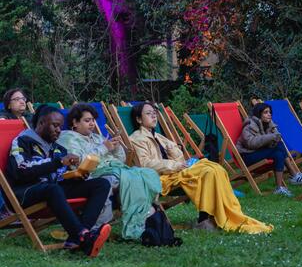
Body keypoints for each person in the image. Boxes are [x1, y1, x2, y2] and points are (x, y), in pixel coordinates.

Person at [128, 102, 272, 233]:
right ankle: (204, 219)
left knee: (217, 168)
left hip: (176, 171)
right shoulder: (137, 139)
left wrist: (173, 150)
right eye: (148, 113)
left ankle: (219, 214)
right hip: (161, 177)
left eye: (154, 112)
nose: (154, 115)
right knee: (208, 171)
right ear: (139, 119)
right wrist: (176, 164)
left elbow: (179, 156)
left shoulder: (159, 136)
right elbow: (145, 163)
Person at [7, 105, 112, 257]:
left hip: (51, 192)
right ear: (41, 123)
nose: (59, 130)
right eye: (55, 125)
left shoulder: (58, 148)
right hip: (25, 192)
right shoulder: (22, 141)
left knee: (102, 184)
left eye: (60, 127)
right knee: (52, 188)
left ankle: (80, 235)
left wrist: (75, 175)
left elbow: (60, 176)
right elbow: (21, 171)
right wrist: (58, 162)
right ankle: (83, 236)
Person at [57, 103, 162, 240]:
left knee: (144, 174)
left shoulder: (96, 138)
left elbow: (120, 160)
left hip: (114, 169)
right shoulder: (68, 138)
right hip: (91, 175)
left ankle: (143, 220)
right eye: (87, 120)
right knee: (118, 180)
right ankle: (98, 226)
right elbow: (77, 162)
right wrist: (103, 148)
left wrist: (116, 147)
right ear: (75, 122)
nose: (92, 124)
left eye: (93, 120)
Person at [237, 103, 302, 197]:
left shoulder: (269, 125)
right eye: (265, 112)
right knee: (278, 147)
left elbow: (274, 138)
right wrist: (270, 137)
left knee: (278, 153)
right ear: (259, 114)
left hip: (260, 153)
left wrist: (274, 139)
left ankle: (279, 188)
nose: (269, 114)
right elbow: (251, 143)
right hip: (248, 156)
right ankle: (294, 174)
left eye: (270, 112)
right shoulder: (249, 126)